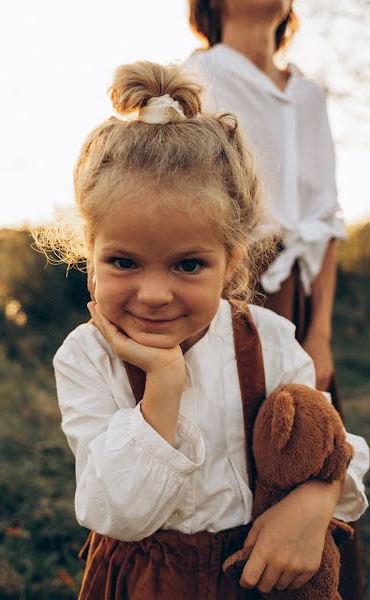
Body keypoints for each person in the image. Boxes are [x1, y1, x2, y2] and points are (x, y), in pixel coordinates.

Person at [41, 61, 368, 599]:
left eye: (188, 265)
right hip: (142, 584)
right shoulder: (85, 357)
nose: (152, 293)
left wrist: (315, 499)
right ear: (89, 255)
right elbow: (115, 512)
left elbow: (337, 445)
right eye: (123, 262)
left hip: (251, 579)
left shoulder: (269, 338)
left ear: (231, 260)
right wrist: (164, 384)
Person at [186, 2, 366, 596]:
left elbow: (326, 220)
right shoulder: (200, 74)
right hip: (237, 281)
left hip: (302, 291)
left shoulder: (309, 96)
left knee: (312, 442)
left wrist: (321, 333)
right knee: (236, 445)